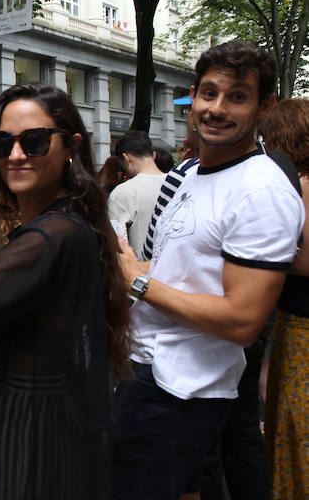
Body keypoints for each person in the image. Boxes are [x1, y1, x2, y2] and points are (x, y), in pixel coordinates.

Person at [0, 83, 131, 498]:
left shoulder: (53, 234)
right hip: (34, 433)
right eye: (2, 143)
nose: (15, 155)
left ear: (71, 146)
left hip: (24, 446)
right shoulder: (61, 223)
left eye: (34, 141)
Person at [112, 41, 304, 500]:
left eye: (237, 96)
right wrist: (130, 266)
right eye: (209, 93)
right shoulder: (193, 172)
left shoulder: (262, 191)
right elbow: (175, 267)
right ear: (193, 95)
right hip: (148, 371)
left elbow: (242, 321)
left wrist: (136, 281)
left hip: (183, 390)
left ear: (265, 106)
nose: (217, 109)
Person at [257, 98, 309, 500]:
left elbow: (304, 261)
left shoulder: (303, 185)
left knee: (296, 427)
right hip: (296, 325)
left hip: (302, 329)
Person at [108, 131, 166, 261]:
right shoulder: (176, 184)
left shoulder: (123, 192)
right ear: (154, 155)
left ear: (126, 158)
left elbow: (117, 246)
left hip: (140, 275)